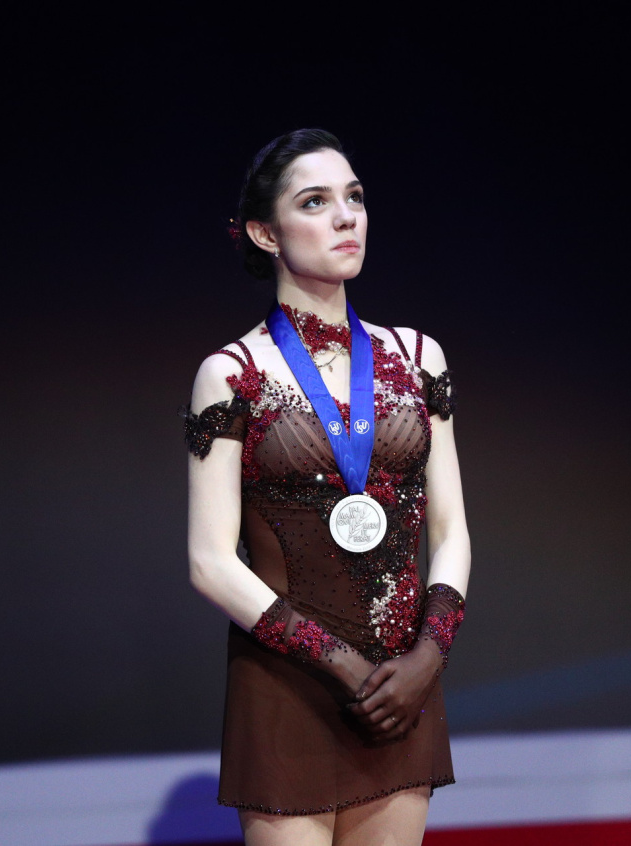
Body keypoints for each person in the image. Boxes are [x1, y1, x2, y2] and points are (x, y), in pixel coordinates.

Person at [184, 128, 471, 846]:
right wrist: (342, 665)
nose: (346, 216)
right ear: (265, 233)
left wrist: (429, 656)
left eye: (355, 197)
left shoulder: (418, 356)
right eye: (315, 202)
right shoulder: (232, 373)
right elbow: (210, 561)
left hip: (399, 688)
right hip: (291, 683)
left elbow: (451, 531)